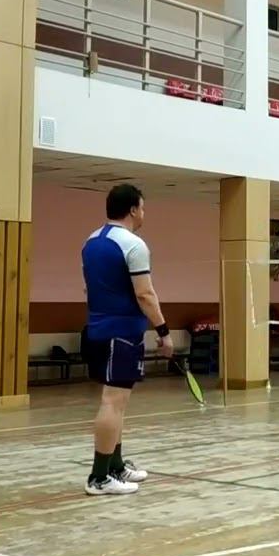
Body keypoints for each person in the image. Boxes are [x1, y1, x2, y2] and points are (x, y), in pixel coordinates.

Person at [80, 184, 173, 496]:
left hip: (97, 331)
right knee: (113, 403)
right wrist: (163, 331)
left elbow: (89, 289)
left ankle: (114, 466)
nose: (144, 213)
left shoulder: (90, 242)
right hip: (121, 335)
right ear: (133, 210)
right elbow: (145, 294)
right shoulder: (134, 245)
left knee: (116, 403)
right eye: (142, 208)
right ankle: (99, 477)